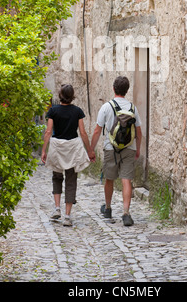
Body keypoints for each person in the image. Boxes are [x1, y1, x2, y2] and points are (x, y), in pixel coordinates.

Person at [90, 76, 142, 226]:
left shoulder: (106, 107)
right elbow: (139, 132)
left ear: (113, 89)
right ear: (127, 90)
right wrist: (137, 149)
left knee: (109, 179)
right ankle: (126, 213)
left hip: (110, 148)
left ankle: (107, 208)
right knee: (126, 180)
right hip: (129, 148)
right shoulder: (133, 108)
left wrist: (91, 150)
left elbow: (97, 130)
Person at [41, 84, 95, 226]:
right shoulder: (77, 111)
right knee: (71, 180)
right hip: (72, 148)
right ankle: (67, 216)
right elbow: (83, 132)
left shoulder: (53, 111)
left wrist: (44, 150)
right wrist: (89, 150)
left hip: (57, 147)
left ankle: (57, 208)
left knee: (57, 177)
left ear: (60, 95)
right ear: (72, 96)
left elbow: (48, 131)